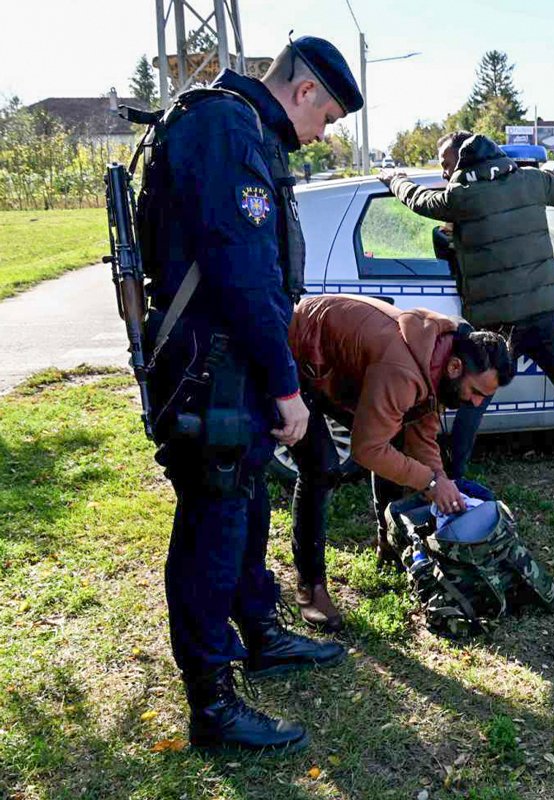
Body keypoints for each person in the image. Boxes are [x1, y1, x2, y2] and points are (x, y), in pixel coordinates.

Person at [140, 36, 363, 753]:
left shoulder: (238, 126)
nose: (322, 134)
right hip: (216, 365)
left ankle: (261, 632)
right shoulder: (229, 127)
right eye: (325, 116)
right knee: (213, 528)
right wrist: (287, 384)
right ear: (302, 92)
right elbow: (245, 278)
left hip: (224, 363)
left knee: (247, 504)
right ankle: (212, 702)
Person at [379, 132, 554, 493]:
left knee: (476, 399)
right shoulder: (531, 181)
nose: (444, 172)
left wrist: (394, 178)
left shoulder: (460, 197)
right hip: (545, 312)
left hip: (496, 324)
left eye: (447, 165)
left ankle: (454, 476)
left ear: (461, 164)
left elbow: (417, 199)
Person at [286, 295, 515, 623]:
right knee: (320, 468)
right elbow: (367, 449)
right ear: (455, 367)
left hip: (337, 367)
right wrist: (431, 482)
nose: (477, 404)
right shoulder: (403, 369)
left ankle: (389, 542)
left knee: (395, 439)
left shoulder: (441, 357)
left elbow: (420, 436)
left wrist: (440, 478)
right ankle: (311, 586)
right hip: (298, 358)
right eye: (476, 392)